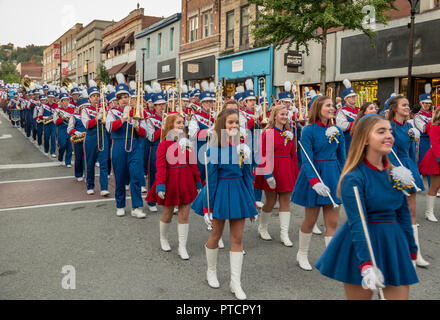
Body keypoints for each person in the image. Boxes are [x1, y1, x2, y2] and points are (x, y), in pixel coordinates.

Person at [315, 114, 419, 300]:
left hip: (393, 243)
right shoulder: (353, 178)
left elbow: (404, 215)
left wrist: (411, 251)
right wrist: (366, 265)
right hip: (362, 245)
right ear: (364, 140)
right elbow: (358, 223)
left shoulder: (396, 174)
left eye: (389, 131)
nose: (389, 135)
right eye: (381, 131)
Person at [191, 108, 258, 300]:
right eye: (231, 122)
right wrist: (207, 208)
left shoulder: (243, 147)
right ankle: (211, 271)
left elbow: (247, 177)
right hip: (219, 192)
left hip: (239, 192)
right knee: (216, 235)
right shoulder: (213, 149)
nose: (235, 125)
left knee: (237, 239)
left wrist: (251, 204)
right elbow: (210, 180)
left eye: (237, 122)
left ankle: (235, 282)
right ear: (222, 126)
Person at [291, 95, 346, 271]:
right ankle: (302, 254)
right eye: (328, 105)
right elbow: (306, 160)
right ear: (318, 108)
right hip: (315, 176)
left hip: (333, 174)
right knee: (310, 219)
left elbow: (342, 157)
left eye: (333, 106)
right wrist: (314, 182)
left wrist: (345, 177)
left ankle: (330, 259)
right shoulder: (308, 131)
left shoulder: (337, 130)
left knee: (333, 222)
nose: (332, 108)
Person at [146, 113, 202, 259]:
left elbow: (193, 163)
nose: (181, 125)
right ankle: (163, 238)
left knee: (184, 215)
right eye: (178, 123)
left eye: (183, 123)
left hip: (186, 180)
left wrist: (197, 181)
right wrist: (160, 185)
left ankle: (182, 247)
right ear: (170, 125)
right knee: (167, 214)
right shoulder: (163, 144)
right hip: (170, 181)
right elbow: (161, 166)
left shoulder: (187, 142)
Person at [387, 95, 428, 267]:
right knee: (392, 212)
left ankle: (415, 252)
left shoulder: (410, 128)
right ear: (395, 108)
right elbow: (385, 151)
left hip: (408, 168)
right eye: (403, 105)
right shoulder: (388, 127)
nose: (407, 107)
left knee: (410, 211)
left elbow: (412, 153)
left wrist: (413, 171)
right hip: (392, 169)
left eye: (407, 105)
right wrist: (394, 170)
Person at [255, 104, 299, 246]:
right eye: (282, 114)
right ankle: (263, 227)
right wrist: (267, 174)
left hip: (286, 169)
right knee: (271, 201)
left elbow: (293, 156)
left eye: (286, 114)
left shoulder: (290, 133)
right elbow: (262, 155)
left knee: (286, 201)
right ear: (275, 116)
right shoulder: (267, 133)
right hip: (272, 169)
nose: (285, 117)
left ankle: (284, 234)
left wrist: (295, 174)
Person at [105, 74, 146, 218]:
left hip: (133, 145)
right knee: (120, 177)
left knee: (135, 176)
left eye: (126, 96)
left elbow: (144, 132)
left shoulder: (136, 111)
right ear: (117, 99)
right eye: (121, 97)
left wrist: (136, 127)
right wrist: (123, 118)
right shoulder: (112, 112)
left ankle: (137, 206)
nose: (124, 99)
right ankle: (120, 205)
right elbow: (109, 128)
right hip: (118, 145)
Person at [81, 81, 110, 196]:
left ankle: (104, 187)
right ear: (89, 98)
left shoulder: (104, 108)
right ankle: (90, 185)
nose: (96, 98)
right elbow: (87, 125)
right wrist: (97, 117)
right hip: (91, 137)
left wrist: (105, 113)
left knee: (104, 163)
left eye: (97, 96)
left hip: (103, 136)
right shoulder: (85, 110)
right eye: (93, 96)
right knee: (90, 162)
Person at [145, 82, 167, 212]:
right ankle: (152, 201)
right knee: (154, 175)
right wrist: (163, 127)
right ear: (154, 106)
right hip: (156, 149)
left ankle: (168, 200)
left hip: (169, 149)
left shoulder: (170, 117)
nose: (161, 107)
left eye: (163, 104)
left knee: (170, 175)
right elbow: (151, 137)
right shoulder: (150, 119)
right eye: (158, 105)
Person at [419, 105, 440, 223]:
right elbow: (436, 144)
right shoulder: (435, 127)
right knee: (435, 186)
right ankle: (429, 212)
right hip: (436, 159)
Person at [68, 94, 87, 182]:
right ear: (79, 107)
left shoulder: (90, 115)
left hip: (88, 138)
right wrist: (75, 132)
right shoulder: (74, 116)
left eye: (87, 106)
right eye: (83, 107)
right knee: (79, 157)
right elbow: (69, 129)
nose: (85, 108)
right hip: (78, 139)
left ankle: (87, 174)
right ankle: (79, 173)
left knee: (88, 158)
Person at [336, 79, 358, 154]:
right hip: (348, 141)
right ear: (346, 99)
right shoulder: (341, 111)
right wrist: (356, 124)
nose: (354, 98)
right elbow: (341, 126)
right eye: (351, 97)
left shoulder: (359, 110)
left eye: (354, 96)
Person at [54, 88, 75, 167]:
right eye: (64, 100)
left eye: (67, 100)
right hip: (62, 129)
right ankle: (60, 157)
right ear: (61, 102)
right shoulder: (57, 110)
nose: (66, 102)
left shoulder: (72, 109)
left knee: (70, 146)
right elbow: (55, 122)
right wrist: (62, 118)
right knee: (62, 145)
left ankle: (68, 162)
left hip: (70, 129)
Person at [414, 84, 433, 165]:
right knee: (424, 163)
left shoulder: (433, 114)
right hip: (423, 142)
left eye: (429, 103)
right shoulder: (417, 116)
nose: (427, 105)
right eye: (425, 103)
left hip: (434, 141)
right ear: (421, 103)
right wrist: (434, 119)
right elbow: (424, 129)